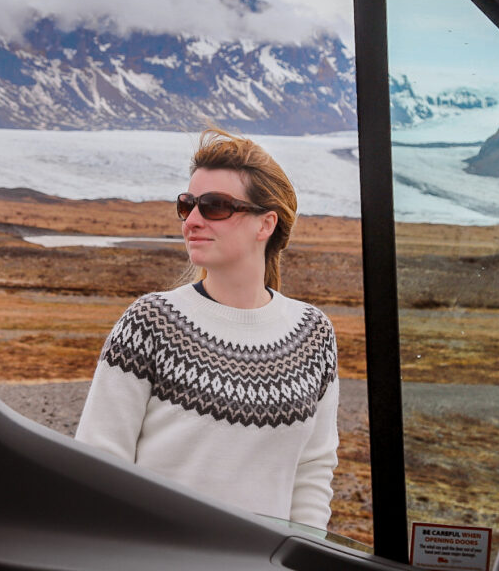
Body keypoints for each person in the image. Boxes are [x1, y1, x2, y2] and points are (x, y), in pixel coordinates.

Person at [75, 127, 339, 530]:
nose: (193, 220)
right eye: (187, 205)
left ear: (265, 224)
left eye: (215, 206)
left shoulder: (314, 334)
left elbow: (313, 472)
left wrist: (304, 555)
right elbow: (98, 467)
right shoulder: (150, 322)